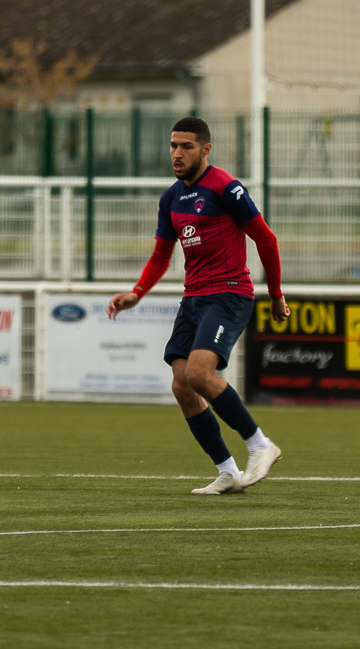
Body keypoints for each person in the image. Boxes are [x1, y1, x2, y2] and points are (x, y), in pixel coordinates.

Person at [107, 116, 288, 495]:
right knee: (181, 384)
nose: (177, 153)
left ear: (206, 149)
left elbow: (266, 240)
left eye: (186, 146)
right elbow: (160, 256)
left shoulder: (226, 188)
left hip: (228, 293)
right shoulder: (170, 198)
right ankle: (228, 472)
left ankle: (260, 444)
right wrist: (136, 293)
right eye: (173, 145)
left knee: (200, 374)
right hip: (193, 298)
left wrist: (275, 294)